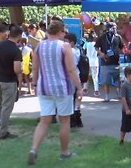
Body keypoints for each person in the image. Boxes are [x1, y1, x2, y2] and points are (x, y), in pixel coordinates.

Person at [28, 20, 83, 165]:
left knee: (44, 121)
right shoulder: (64, 46)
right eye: (64, 32)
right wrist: (79, 87)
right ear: (60, 32)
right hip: (62, 88)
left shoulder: (40, 46)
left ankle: (33, 149)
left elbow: (35, 68)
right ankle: (64, 152)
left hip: (44, 87)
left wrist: (34, 84)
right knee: (64, 121)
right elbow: (71, 70)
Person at [0, 26, 23, 140]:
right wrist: (22, 69)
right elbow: (17, 69)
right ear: (19, 36)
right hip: (9, 81)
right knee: (6, 107)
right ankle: (3, 131)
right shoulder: (16, 50)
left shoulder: (0, 45)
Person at [95, 22, 124, 102]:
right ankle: (107, 96)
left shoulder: (118, 37)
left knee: (118, 79)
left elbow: (122, 47)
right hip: (105, 62)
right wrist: (101, 53)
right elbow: (96, 47)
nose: (115, 29)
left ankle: (118, 91)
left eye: (115, 28)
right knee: (106, 81)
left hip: (116, 61)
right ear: (109, 29)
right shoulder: (103, 37)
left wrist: (123, 54)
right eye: (114, 28)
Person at [64, 33, 84, 128]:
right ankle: (77, 118)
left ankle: (72, 119)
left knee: (70, 98)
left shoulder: (71, 51)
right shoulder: (78, 51)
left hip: (70, 77)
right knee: (77, 98)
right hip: (77, 76)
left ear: (72, 43)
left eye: (66, 41)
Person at [84, 32, 99, 96]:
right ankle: (96, 90)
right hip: (95, 61)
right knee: (95, 76)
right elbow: (98, 52)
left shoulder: (86, 44)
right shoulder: (97, 44)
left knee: (86, 75)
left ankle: (85, 88)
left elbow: (83, 51)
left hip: (87, 61)